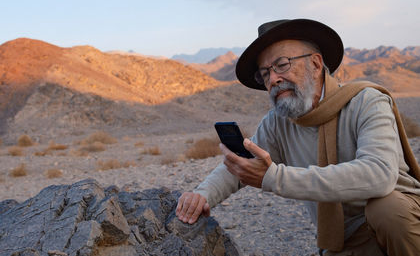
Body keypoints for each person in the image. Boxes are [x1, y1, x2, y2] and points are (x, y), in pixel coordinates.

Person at [175, 19, 420, 256]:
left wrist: (275, 178)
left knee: (386, 209)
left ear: (315, 64)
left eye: (282, 65)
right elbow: (241, 164)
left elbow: (379, 175)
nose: (273, 79)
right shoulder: (278, 123)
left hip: (402, 228)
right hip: (344, 243)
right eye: (265, 73)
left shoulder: (366, 102)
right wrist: (202, 195)